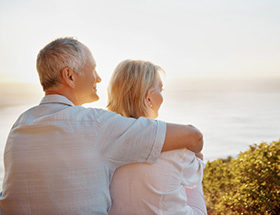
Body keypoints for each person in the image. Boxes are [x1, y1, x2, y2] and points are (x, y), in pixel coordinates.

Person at [0, 38, 203, 215]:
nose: (98, 77)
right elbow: (192, 135)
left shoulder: (19, 125)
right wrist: (196, 156)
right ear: (70, 76)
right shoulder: (96, 124)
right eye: (93, 69)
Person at [108, 60, 207, 215]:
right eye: (160, 90)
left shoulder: (102, 141)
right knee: (194, 178)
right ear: (148, 99)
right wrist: (197, 159)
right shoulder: (176, 147)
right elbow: (194, 177)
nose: (162, 96)